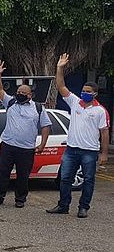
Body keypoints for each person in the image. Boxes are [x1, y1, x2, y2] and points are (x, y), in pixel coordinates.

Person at [47, 53, 110, 218]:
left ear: (95, 94)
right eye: (83, 90)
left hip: (89, 151)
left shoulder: (100, 111)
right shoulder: (75, 102)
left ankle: (83, 207)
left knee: (88, 180)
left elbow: (104, 132)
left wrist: (103, 153)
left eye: (88, 91)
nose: (84, 93)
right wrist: (60, 68)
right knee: (65, 178)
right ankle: (63, 205)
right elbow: (61, 86)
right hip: (71, 149)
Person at [0, 60, 52, 208]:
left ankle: (20, 199)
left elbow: (46, 126)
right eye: (18, 92)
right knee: (2, 173)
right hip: (8, 145)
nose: (20, 95)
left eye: (23, 93)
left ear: (30, 95)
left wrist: (42, 144)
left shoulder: (38, 108)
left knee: (23, 176)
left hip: (27, 149)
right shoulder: (10, 102)